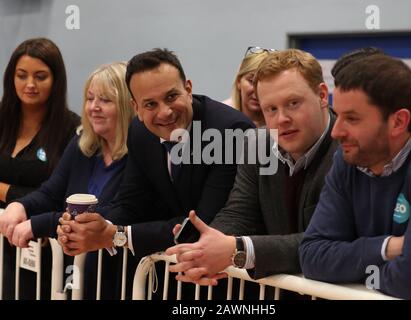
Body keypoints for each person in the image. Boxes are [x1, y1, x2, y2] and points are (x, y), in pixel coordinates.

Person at [56, 49, 254, 264]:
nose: (165, 112)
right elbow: (131, 205)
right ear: (136, 108)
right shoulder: (140, 132)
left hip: (227, 276)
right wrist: (87, 228)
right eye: (150, 104)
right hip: (174, 272)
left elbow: (202, 224)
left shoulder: (229, 130)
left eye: (171, 96)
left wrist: (116, 235)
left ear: (188, 89)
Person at [165, 49, 338, 288]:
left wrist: (237, 249)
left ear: (321, 95)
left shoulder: (349, 149)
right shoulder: (257, 143)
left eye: (293, 103)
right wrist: (204, 248)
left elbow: (329, 240)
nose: (281, 119)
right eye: (271, 109)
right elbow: (239, 212)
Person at [299, 54, 411, 299]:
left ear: (398, 122)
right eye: (338, 115)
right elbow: (313, 256)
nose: (336, 131)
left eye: (352, 118)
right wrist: (389, 248)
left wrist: (354, 270)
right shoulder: (349, 158)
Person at [0, 62, 135, 299]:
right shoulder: (82, 144)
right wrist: (19, 206)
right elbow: (50, 193)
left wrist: (37, 224)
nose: (94, 107)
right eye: (90, 98)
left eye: (105, 100)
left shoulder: (139, 154)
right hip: (75, 276)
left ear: (126, 105)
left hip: (119, 279)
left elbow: (111, 214)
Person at [0, 37, 80, 299]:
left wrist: (5, 192)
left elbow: (57, 196)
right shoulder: (2, 119)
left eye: (41, 76)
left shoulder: (72, 130)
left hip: (43, 249)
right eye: (22, 75)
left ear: (56, 80)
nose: (30, 84)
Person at [223, 47, 275, 127]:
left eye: (266, 83)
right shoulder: (221, 117)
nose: (257, 90)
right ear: (239, 81)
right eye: (251, 81)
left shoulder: (283, 121)